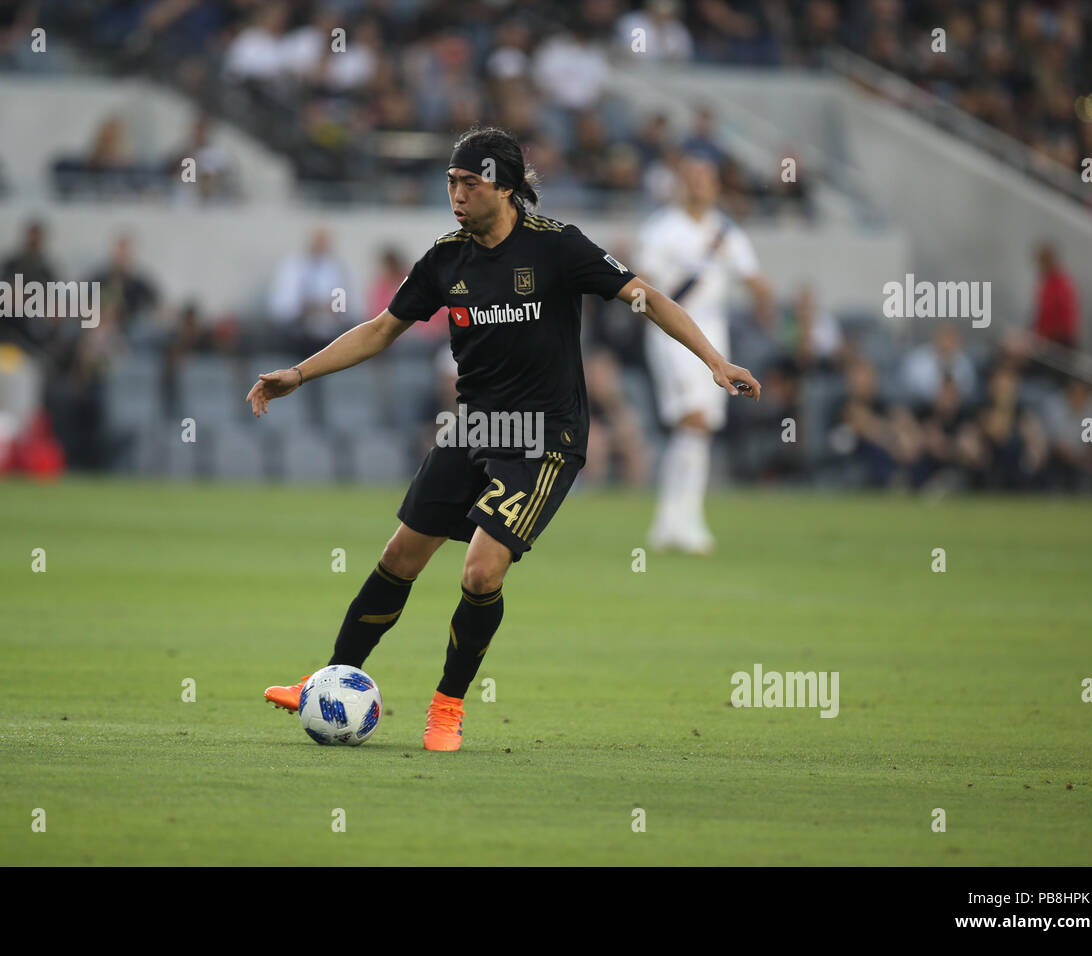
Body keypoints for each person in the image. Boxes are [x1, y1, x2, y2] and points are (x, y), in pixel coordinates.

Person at [247, 127, 759, 751]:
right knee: (400, 556)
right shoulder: (445, 258)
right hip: (475, 427)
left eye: (470, 183)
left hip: (546, 438)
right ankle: (326, 680)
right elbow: (382, 329)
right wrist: (298, 373)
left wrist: (714, 361)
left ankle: (447, 706)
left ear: (507, 188)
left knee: (482, 571)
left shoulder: (558, 247)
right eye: (451, 184)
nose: (457, 195)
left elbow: (645, 297)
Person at [637, 155, 771, 554]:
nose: (699, 185)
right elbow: (643, 285)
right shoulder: (662, 229)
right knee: (692, 419)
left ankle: (673, 522)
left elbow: (753, 279)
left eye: (706, 179)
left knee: (701, 426)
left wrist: (770, 299)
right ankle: (683, 522)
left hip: (714, 332)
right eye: (692, 178)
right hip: (673, 331)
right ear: (681, 184)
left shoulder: (726, 232)